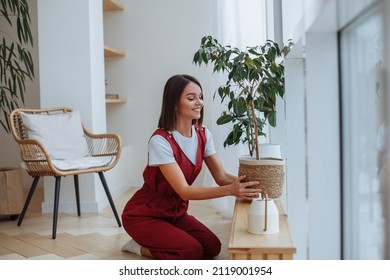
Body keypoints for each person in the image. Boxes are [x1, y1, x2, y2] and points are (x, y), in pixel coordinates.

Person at [121, 74, 261, 260]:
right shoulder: (160, 141)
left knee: (212, 247)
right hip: (144, 215)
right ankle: (138, 247)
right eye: (191, 98)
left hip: (175, 213)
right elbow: (184, 191)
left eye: (200, 97)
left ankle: (164, 238)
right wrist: (230, 190)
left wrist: (249, 185)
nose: (199, 103)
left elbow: (221, 176)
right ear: (174, 103)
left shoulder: (203, 134)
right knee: (191, 251)